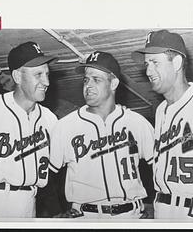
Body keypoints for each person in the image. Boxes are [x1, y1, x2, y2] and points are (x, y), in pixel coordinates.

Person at [49, 51, 155, 219]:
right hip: (86, 216)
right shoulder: (65, 126)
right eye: (86, 79)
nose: (88, 85)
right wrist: (56, 212)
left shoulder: (137, 122)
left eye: (96, 80)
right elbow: (46, 176)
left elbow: (160, 167)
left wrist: (155, 205)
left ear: (113, 83)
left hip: (131, 215)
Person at [132, 29, 193, 221]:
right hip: (163, 212)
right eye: (146, 64)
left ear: (176, 62)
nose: (148, 71)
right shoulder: (160, 111)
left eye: (154, 63)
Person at [0, 41, 58, 218]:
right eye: (38, 74)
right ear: (17, 76)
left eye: (47, 74)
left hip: (29, 201)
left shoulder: (50, 119)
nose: (46, 81)